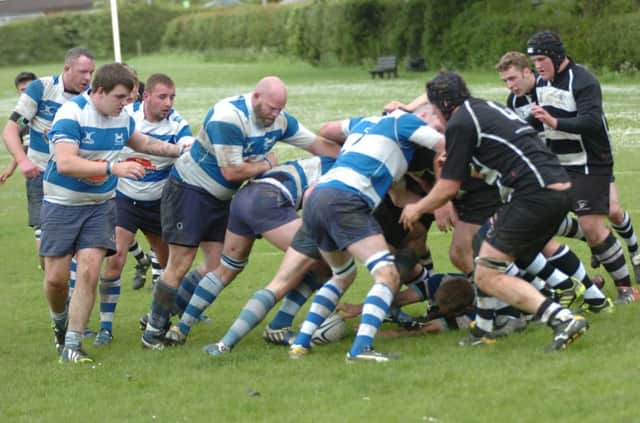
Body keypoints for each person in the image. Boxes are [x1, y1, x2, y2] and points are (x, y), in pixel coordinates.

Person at [140, 76, 341, 349]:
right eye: (272, 108)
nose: (276, 114)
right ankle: (152, 333)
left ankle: (162, 314)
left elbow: (318, 145)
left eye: (280, 108)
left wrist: (352, 159)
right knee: (180, 262)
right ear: (256, 97)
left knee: (215, 266)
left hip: (222, 197)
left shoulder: (279, 120)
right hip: (190, 189)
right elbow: (231, 171)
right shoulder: (228, 117)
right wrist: (267, 162)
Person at [400, 71, 588, 351]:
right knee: (481, 253)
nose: (435, 116)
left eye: (435, 109)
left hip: (533, 194)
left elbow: (449, 188)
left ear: (443, 106)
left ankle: (561, 317)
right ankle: (485, 329)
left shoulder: (461, 122)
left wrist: (418, 207)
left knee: (487, 272)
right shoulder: (485, 108)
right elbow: (495, 157)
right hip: (553, 187)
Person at [42, 63, 187, 363]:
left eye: (128, 98)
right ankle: (60, 323)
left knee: (90, 269)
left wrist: (180, 150)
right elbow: (66, 162)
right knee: (56, 280)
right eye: (120, 97)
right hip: (62, 204)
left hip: (101, 205)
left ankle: (73, 343)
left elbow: (143, 142)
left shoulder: (121, 117)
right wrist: (113, 167)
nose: (126, 104)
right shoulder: (72, 114)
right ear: (98, 91)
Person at [287, 105, 445, 363]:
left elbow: (397, 195)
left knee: (342, 275)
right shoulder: (406, 121)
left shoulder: (366, 123)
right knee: (388, 274)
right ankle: (360, 349)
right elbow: (445, 145)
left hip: (317, 197)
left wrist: (426, 201)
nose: (433, 129)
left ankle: (300, 344)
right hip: (347, 200)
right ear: (424, 115)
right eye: (435, 122)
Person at [164, 155, 335, 346]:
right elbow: (312, 194)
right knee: (323, 264)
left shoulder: (326, 158)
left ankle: (181, 327)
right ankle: (279, 326)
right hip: (269, 200)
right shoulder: (344, 166)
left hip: (244, 197)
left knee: (226, 268)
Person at [526, 31, 639, 304]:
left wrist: (554, 122)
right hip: (559, 164)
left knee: (592, 224)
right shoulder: (541, 82)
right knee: (541, 222)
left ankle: (626, 289)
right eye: (535, 61)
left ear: (554, 55)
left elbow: (590, 121)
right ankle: (587, 273)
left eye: (541, 58)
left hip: (590, 161)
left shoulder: (583, 80)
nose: (538, 66)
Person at [496, 51, 613, 312]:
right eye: (505, 81)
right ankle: (585, 289)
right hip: (547, 169)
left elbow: (584, 120)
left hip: (582, 161)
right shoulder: (513, 101)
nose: (510, 85)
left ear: (528, 72)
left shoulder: (547, 89)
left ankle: (617, 286)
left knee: (599, 219)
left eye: (513, 78)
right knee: (545, 232)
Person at [94, 73, 194, 346]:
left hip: (161, 204)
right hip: (125, 200)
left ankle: (156, 317)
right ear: (145, 96)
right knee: (115, 259)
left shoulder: (177, 123)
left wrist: (187, 147)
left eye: (172, 97)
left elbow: (187, 145)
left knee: (169, 266)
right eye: (163, 96)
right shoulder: (127, 116)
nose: (168, 103)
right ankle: (105, 327)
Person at [2, 49, 95, 269]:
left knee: (77, 246)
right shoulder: (41, 89)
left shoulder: (92, 96)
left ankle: (71, 295)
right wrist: (22, 161)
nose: (88, 78)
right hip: (40, 173)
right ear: (67, 68)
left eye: (91, 72)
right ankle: (60, 292)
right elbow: (11, 129)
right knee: (47, 253)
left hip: (76, 176)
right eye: (83, 72)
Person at [0, 72, 38, 185]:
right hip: (34, 172)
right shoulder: (22, 119)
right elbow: (23, 145)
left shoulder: (50, 111)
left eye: (30, 89)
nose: (27, 93)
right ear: (18, 91)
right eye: (23, 90)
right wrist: (10, 170)